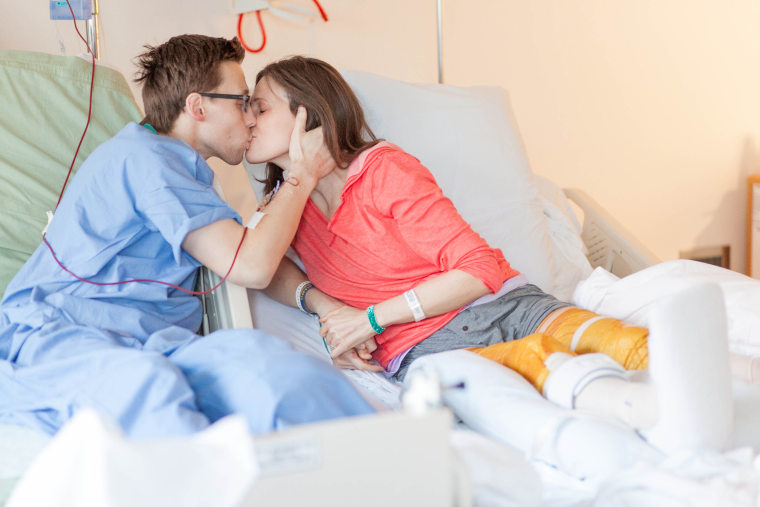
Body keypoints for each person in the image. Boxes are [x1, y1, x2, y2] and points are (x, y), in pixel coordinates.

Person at [248, 56, 736, 461]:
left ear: (306, 115)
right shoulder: (285, 208)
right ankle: (647, 412)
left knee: (609, 338)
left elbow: (479, 271)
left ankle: (730, 378)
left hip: (505, 304)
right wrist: (324, 306)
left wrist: (369, 319)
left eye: (260, 106)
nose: (248, 118)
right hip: (432, 353)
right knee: (525, 373)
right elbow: (262, 269)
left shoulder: (382, 169)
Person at [0, 35, 375, 439]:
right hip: (63, 334)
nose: (250, 117)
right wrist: (302, 174)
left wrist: (324, 305)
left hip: (157, 344)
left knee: (275, 370)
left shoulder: (185, 174)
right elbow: (249, 265)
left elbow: (246, 252)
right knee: (149, 388)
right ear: (198, 106)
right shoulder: (146, 160)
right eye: (242, 101)